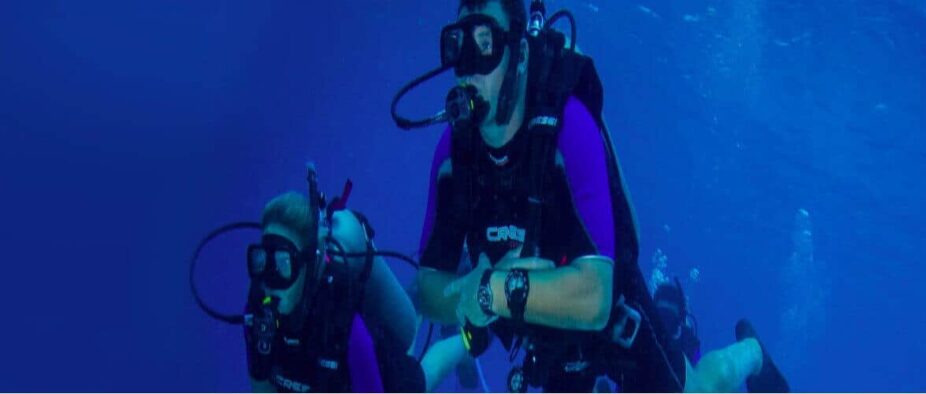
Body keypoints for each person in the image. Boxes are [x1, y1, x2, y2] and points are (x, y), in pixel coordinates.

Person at [408, 0, 790, 391]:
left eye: (484, 41)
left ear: (520, 53)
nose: (469, 65)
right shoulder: (452, 157)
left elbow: (595, 297)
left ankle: (751, 353)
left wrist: (492, 289)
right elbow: (428, 289)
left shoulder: (568, 127)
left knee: (700, 389)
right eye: (457, 45)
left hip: (614, 315)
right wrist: (492, 291)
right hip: (542, 330)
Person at [243, 191, 424, 392]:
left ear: (308, 266)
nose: (271, 281)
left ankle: (460, 338)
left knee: (422, 377)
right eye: (261, 261)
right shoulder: (258, 312)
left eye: (283, 263)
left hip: (383, 376)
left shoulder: (343, 319)